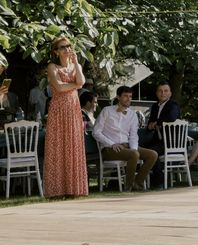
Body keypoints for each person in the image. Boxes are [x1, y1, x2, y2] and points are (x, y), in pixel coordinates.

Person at [43, 36, 88, 198]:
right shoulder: (52, 67)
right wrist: (76, 85)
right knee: (57, 147)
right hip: (58, 111)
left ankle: (74, 189)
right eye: (62, 47)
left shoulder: (77, 66)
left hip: (73, 109)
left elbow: (82, 81)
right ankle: (56, 190)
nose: (67, 49)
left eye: (68, 46)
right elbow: (59, 88)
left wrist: (76, 63)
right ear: (56, 51)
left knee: (73, 146)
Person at [93, 86, 158, 191]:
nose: (128, 99)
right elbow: (96, 132)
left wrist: (133, 148)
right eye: (125, 96)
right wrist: (112, 144)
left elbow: (133, 135)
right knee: (134, 154)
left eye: (130, 96)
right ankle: (128, 187)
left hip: (126, 146)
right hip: (110, 149)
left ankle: (137, 182)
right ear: (118, 97)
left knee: (152, 154)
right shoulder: (107, 111)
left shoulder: (132, 115)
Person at [146, 81, 181, 187]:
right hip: (158, 141)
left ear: (170, 93)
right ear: (157, 93)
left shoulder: (173, 105)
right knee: (139, 149)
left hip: (171, 142)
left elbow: (171, 117)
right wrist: (150, 125)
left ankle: (159, 181)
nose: (163, 93)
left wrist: (157, 123)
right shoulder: (155, 106)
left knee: (152, 152)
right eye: (160, 91)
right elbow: (150, 123)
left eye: (166, 91)